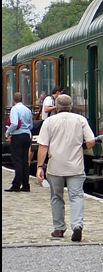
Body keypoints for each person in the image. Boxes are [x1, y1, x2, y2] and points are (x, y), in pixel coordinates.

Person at [35, 94, 96, 241]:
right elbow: (91, 141)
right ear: (70, 106)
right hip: (75, 166)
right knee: (76, 196)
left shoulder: (49, 121)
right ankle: (77, 225)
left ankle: (59, 228)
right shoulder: (81, 120)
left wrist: (39, 167)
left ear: (56, 107)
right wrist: (82, 148)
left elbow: (43, 146)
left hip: (55, 166)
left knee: (56, 197)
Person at [5, 92, 34, 192]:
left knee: (17, 161)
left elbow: (14, 123)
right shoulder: (27, 110)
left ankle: (16, 185)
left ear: (13, 100)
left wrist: (8, 131)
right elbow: (31, 125)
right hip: (26, 135)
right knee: (25, 160)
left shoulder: (14, 109)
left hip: (17, 136)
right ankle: (26, 184)